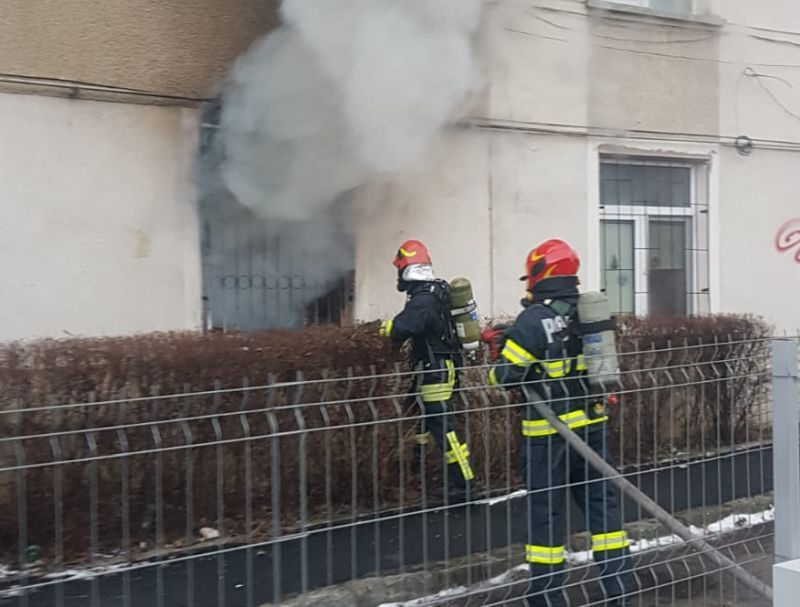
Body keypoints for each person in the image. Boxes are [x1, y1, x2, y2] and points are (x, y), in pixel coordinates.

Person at [487, 238, 631, 607]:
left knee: (546, 517)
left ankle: (546, 598)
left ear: (539, 274)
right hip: (592, 427)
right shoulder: (588, 311)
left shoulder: (533, 320)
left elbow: (504, 377)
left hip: (547, 436)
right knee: (603, 508)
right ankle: (620, 592)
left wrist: (499, 353)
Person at [379, 239, 474, 504]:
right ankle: (416, 474)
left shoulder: (424, 298)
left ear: (405, 269)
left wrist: (378, 329)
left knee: (442, 429)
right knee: (419, 419)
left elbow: (403, 327)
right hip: (433, 368)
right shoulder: (436, 290)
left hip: (436, 372)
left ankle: (465, 486)